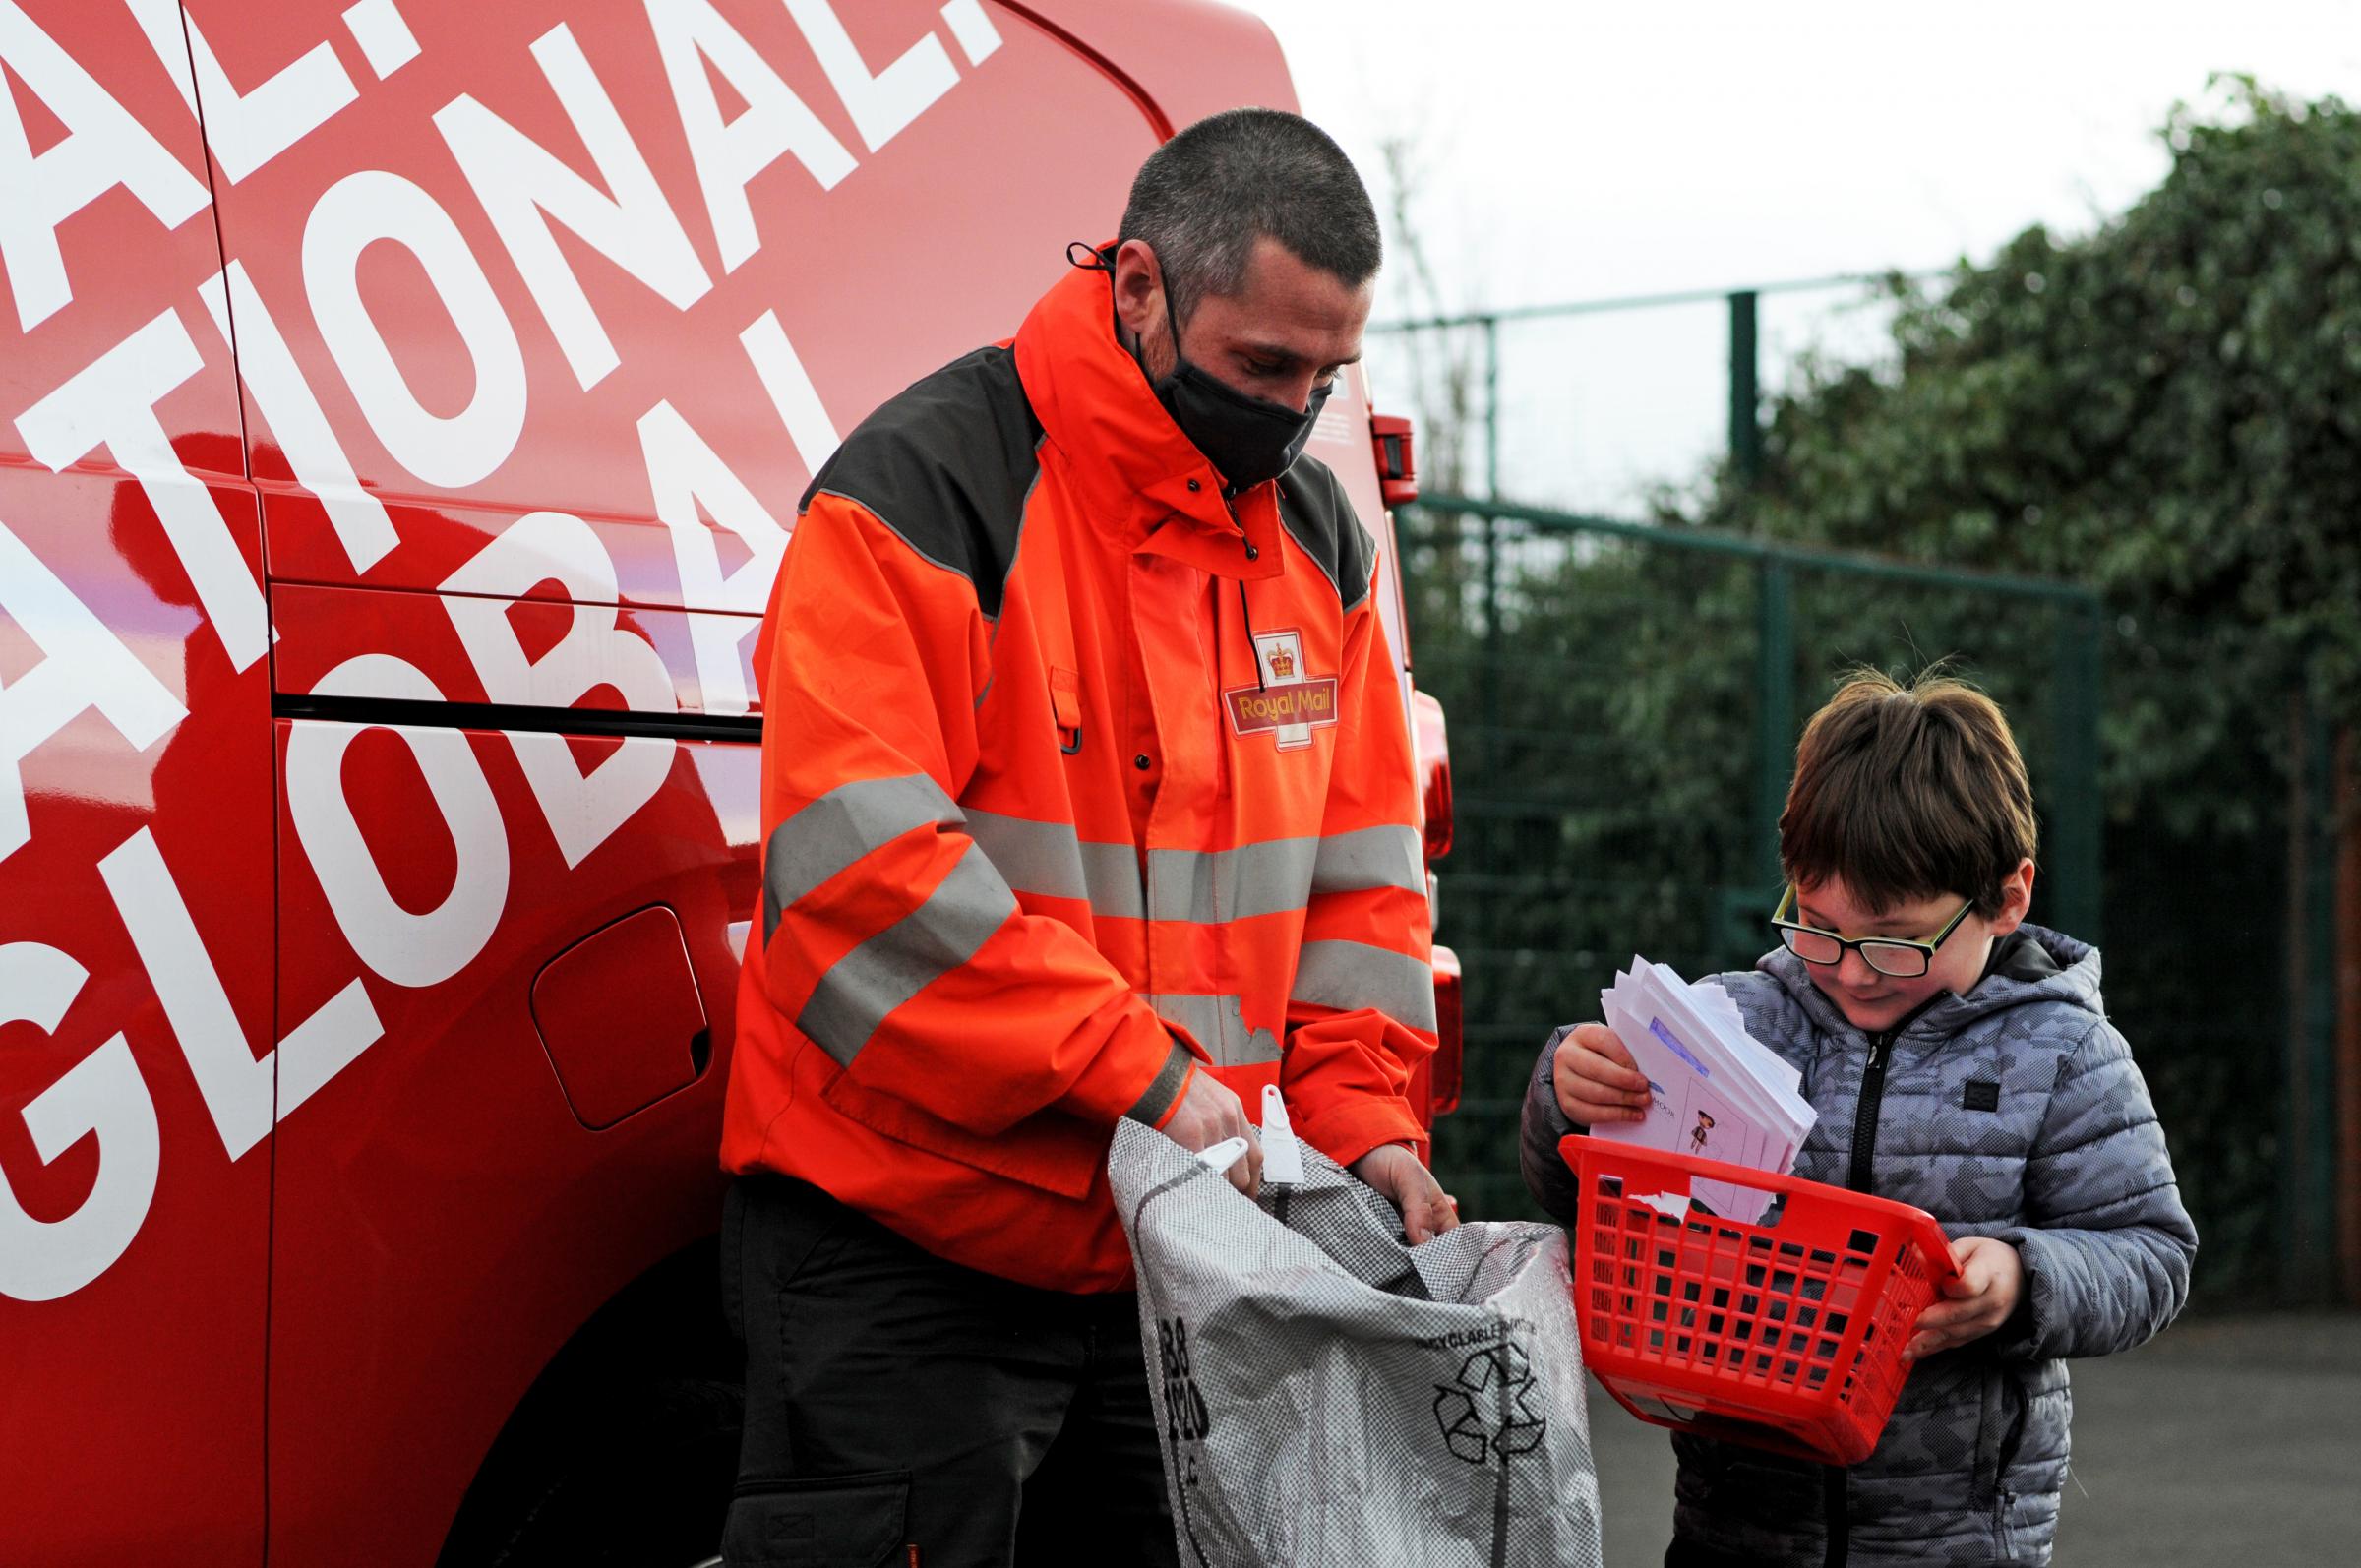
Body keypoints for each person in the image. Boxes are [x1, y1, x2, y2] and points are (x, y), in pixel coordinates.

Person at [719, 108, 1453, 1567]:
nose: (1298, 411)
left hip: (1177, 1257)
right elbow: (861, 870)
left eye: (1328, 373)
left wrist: (1366, 1123)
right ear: (1137, 286)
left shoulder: (1321, 543)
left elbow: (1365, 890)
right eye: (1263, 366)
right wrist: (1153, 1082)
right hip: (907, 1246)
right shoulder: (926, 489)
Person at [1521, 670, 2197, 1567]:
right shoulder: (1735, 1020)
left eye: (1893, 938)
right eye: (1817, 923)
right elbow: (1585, 1190)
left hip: (1954, 1540)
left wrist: (2024, 1278)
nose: (1851, 969)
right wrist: (1564, 1097)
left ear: (2007, 897)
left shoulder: (2062, 1053)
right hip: (1735, 1521)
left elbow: (2152, 1252)